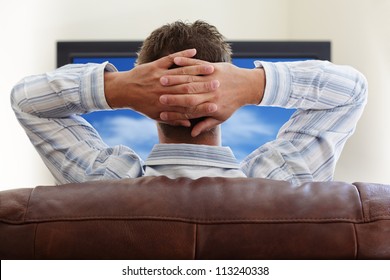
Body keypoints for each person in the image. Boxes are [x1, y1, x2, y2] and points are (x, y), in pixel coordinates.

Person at [11, 20, 368, 186]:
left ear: (144, 93)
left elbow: (25, 99)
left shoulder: (105, 182)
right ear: (224, 89)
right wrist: (253, 84)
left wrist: (118, 87)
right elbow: (352, 90)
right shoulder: (279, 181)